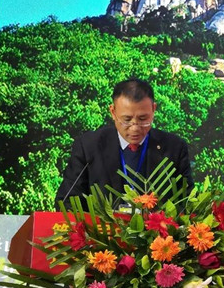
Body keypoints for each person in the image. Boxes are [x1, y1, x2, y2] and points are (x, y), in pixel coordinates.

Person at [55, 78, 193, 206]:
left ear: (153, 109)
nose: (135, 128)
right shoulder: (89, 146)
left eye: (143, 119)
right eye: (127, 120)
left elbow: (187, 203)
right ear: (113, 112)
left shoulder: (174, 148)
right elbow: (67, 201)